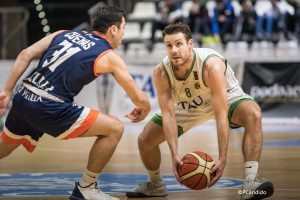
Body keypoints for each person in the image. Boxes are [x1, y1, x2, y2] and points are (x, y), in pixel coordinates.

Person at [0, 6, 151, 200]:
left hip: (24, 96)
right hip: (49, 105)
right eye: (123, 28)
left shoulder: (63, 33)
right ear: (113, 29)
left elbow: (25, 54)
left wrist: (6, 91)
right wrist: (145, 107)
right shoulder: (108, 56)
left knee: (6, 146)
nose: (123, 34)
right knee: (115, 128)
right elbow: (139, 99)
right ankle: (86, 188)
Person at [126, 22, 274, 200]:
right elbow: (169, 114)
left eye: (179, 44)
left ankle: (251, 182)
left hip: (224, 98)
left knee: (253, 114)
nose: (174, 50)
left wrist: (222, 157)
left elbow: (220, 114)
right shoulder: (161, 72)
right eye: (169, 45)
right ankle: (155, 184)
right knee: (145, 140)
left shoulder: (211, 65)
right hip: (189, 106)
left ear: (190, 44)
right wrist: (174, 154)